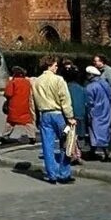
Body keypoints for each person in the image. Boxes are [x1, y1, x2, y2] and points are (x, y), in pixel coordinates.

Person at [33, 55, 76, 184]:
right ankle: (64, 173)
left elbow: (34, 101)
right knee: (66, 143)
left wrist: (37, 117)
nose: (57, 67)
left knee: (47, 145)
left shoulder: (36, 81)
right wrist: (70, 117)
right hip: (58, 114)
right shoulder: (58, 80)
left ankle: (51, 174)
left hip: (44, 115)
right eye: (55, 65)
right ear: (50, 65)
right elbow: (65, 99)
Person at [0, 66, 35, 144]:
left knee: (11, 121)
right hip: (25, 104)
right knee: (28, 121)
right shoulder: (27, 82)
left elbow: (8, 93)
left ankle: (5, 135)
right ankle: (32, 136)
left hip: (14, 105)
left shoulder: (13, 82)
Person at [85, 65, 111, 162]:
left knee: (94, 132)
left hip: (95, 112)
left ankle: (103, 153)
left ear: (90, 75)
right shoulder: (105, 84)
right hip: (106, 110)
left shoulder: (90, 87)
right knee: (105, 130)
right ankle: (98, 152)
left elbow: (89, 102)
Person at [62, 61, 87, 147]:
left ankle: (69, 152)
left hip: (70, 116)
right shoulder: (82, 89)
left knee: (67, 134)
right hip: (80, 115)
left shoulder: (65, 88)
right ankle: (78, 151)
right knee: (80, 135)